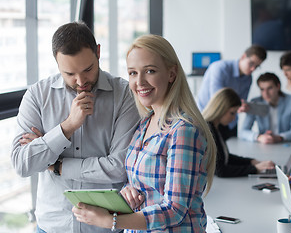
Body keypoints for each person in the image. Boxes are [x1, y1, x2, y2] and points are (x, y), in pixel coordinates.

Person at [71, 34, 216, 232]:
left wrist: (109, 221)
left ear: (171, 74)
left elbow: (175, 209)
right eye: (132, 73)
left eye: (150, 71)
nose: (140, 82)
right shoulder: (146, 123)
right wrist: (128, 191)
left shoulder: (183, 131)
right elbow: (140, 183)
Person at [11, 22, 140, 233]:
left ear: (98, 52)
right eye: (70, 73)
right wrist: (67, 127)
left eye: (87, 69)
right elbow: (22, 164)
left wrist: (57, 165)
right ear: (56, 62)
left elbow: (119, 167)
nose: (81, 81)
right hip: (51, 227)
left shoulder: (124, 95)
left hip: (106, 228)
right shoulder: (37, 95)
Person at [196, 45, 267, 140]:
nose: (253, 69)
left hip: (229, 121)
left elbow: (240, 101)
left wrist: (242, 106)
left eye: (257, 66)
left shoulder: (248, 78)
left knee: (228, 152)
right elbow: (218, 99)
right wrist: (238, 105)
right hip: (208, 120)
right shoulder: (219, 68)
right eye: (251, 63)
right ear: (243, 57)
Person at [202, 87, 275, 177]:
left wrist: (251, 162)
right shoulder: (208, 130)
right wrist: (255, 169)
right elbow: (221, 170)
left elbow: (225, 158)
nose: (234, 118)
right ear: (221, 109)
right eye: (232, 113)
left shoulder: (217, 127)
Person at [239, 72, 291, 144]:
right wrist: (259, 137)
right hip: (264, 145)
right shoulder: (255, 103)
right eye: (262, 89)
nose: (266, 93)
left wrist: (279, 137)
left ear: (278, 87)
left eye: (269, 88)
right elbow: (242, 132)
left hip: (285, 144)